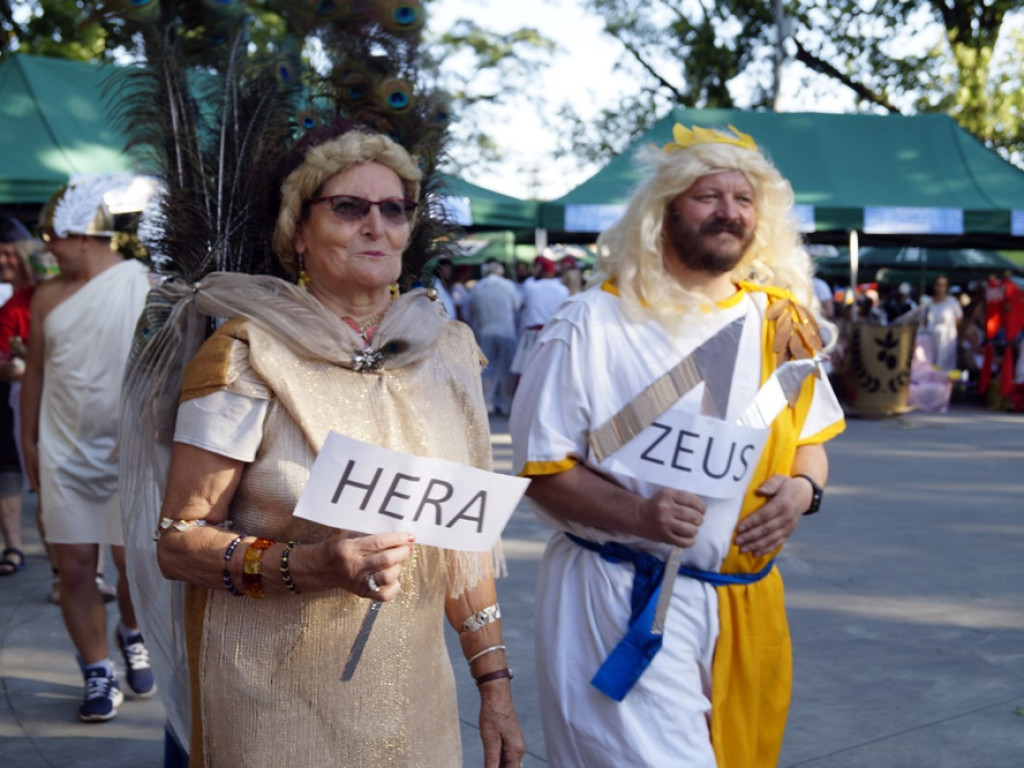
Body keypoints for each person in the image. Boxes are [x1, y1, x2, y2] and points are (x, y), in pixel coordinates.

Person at [138, 127, 525, 766]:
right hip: (273, 704)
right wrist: (316, 565)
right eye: (349, 208)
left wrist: (495, 687)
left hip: (415, 701)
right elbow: (179, 541)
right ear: (298, 234)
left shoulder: (447, 353)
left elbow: (464, 545)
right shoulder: (246, 355)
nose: (376, 226)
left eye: (394, 208)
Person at [510, 123, 845, 767]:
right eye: (708, 196)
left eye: (743, 200)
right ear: (663, 210)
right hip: (617, 597)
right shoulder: (590, 323)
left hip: (745, 606)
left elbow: (811, 443)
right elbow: (541, 470)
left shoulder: (781, 324)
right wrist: (641, 514)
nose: (729, 213)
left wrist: (805, 491)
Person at [21, 175, 157, 722]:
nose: (46, 247)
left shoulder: (144, 284)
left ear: (83, 235)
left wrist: (145, 437)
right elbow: (35, 374)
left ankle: (133, 632)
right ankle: (97, 670)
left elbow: (164, 374)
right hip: (63, 450)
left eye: (52, 236)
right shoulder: (47, 296)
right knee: (74, 568)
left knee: (132, 563)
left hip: (128, 450)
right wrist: (29, 441)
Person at [466, 258, 521, 415]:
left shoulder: (477, 287)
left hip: (486, 331)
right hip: (506, 331)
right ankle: (506, 404)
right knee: (506, 369)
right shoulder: (509, 286)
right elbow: (516, 307)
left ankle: (487, 403)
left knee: (487, 369)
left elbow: (472, 311)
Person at [510, 254, 569, 376]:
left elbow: (518, 305)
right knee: (550, 372)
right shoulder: (563, 289)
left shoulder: (530, 286)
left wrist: (535, 272)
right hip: (553, 334)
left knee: (528, 373)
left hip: (532, 335)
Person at [922, 274, 963, 370]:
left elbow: (959, 319)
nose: (940, 288)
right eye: (938, 285)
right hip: (931, 339)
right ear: (934, 286)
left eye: (943, 285)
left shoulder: (952, 302)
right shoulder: (929, 303)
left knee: (946, 365)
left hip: (947, 340)